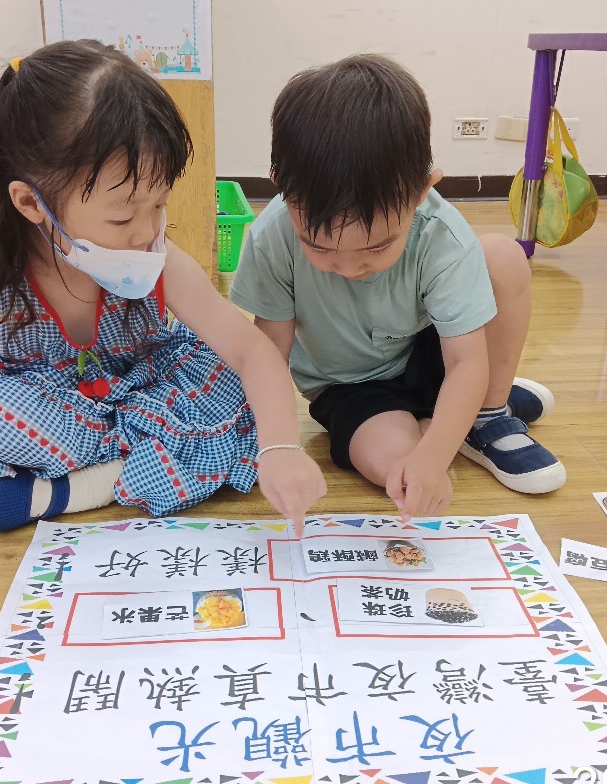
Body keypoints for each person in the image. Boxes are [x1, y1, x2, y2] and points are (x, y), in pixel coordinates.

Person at [0, 41, 325, 548]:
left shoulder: (156, 256)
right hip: (50, 415)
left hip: (146, 396)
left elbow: (251, 350)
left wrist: (281, 447)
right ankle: (132, 469)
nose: (147, 231)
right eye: (122, 217)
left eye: (159, 205)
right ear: (31, 202)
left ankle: (63, 490)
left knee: (237, 384)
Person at [229, 54, 565, 522]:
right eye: (319, 247)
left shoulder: (440, 234)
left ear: (423, 190)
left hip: (430, 356)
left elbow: (465, 361)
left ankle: (487, 414)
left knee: (504, 258)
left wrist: (435, 456)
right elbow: (267, 354)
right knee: (395, 467)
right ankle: (463, 413)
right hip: (346, 385)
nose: (349, 268)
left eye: (377, 247)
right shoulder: (272, 236)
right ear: (283, 190)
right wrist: (275, 442)